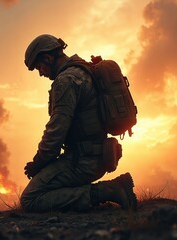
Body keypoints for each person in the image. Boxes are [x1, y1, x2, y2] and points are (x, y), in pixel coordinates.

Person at [20, 34, 137, 212]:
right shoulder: (83, 69)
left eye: (39, 67)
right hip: (98, 154)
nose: (41, 73)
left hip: (83, 161)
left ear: (48, 58)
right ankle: (111, 188)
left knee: (30, 198)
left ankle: (107, 191)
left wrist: (39, 162)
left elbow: (56, 130)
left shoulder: (66, 81)